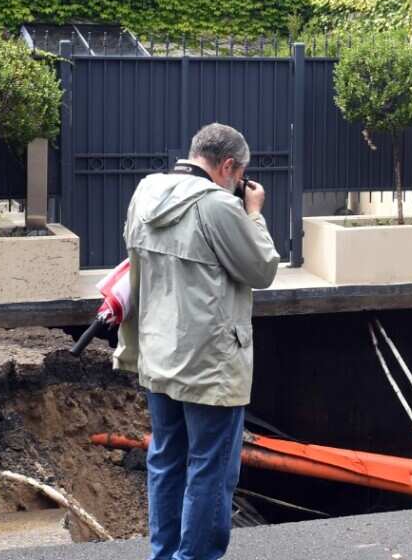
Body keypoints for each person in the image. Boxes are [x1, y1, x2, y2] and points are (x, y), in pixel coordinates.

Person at [113, 123, 280, 560]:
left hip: (158, 352)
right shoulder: (220, 207)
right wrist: (254, 213)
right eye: (239, 174)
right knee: (210, 469)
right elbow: (262, 270)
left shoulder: (147, 193)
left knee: (166, 460)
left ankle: (164, 554)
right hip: (210, 363)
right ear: (228, 166)